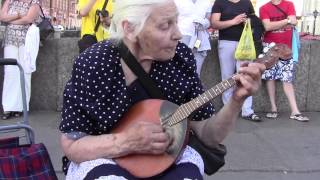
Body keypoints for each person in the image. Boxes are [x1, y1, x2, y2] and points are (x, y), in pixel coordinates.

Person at [59, 0, 265, 179]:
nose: (177, 34)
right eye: (166, 25)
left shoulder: (180, 59)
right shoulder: (96, 63)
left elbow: (207, 135)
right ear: (130, 29)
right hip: (104, 158)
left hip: (166, 160)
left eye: (176, 21)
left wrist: (236, 101)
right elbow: (72, 145)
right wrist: (126, 142)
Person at [211, 0, 261, 121]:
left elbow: (255, 21)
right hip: (226, 42)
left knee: (246, 77)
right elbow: (214, 23)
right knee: (227, 77)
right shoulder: (219, 2)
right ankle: (228, 111)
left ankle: (247, 111)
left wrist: (248, 22)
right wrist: (234, 21)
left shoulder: (247, 2)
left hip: (246, 43)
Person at [259, 0, 309, 122]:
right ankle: (273, 108)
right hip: (269, 48)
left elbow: (294, 22)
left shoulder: (289, 4)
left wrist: (276, 24)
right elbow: (267, 26)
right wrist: (286, 21)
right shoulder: (264, 8)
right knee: (270, 78)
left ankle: (295, 111)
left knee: (287, 79)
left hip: (286, 49)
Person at [0, 0, 40, 120]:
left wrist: (10, 20)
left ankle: (22, 107)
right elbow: (2, 17)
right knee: (10, 73)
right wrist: (18, 15)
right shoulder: (9, 0)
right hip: (10, 40)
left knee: (25, 72)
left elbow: (29, 19)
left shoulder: (34, 1)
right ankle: (8, 107)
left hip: (26, 41)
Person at [174, 0, 213, 77]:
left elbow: (209, 20)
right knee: (180, 72)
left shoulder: (207, 2)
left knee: (196, 73)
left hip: (200, 39)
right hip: (181, 38)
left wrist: (204, 23)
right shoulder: (176, 1)